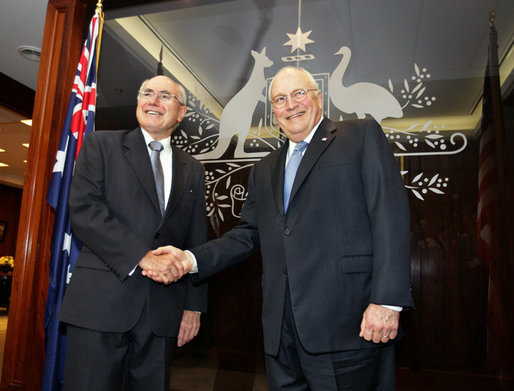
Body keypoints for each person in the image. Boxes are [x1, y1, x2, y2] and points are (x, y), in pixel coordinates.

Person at [153, 66, 414, 390]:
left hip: (348, 324)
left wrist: (387, 302)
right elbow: (246, 235)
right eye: (280, 99)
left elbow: (389, 216)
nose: (290, 105)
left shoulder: (359, 136)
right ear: (273, 111)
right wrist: (189, 259)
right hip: (280, 334)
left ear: (317, 98)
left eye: (299, 93)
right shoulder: (265, 169)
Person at [59, 75, 208, 391]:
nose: (153, 100)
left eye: (165, 95)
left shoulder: (193, 168)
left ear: (181, 113)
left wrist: (193, 306)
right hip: (100, 305)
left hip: (162, 311)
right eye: (147, 93)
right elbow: (85, 211)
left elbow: (196, 239)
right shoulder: (101, 144)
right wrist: (142, 258)